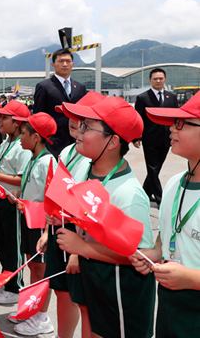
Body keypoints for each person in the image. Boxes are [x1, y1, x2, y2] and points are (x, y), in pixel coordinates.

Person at [57, 97, 155, 338]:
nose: (78, 130)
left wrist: (81, 248)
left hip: (120, 295)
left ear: (112, 141)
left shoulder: (128, 194)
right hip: (96, 281)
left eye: (87, 126)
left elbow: (139, 257)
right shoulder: (88, 172)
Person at [130, 92, 200, 337]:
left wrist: (192, 278)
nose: (171, 129)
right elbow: (169, 232)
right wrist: (156, 253)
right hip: (170, 307)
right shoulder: (173, 183)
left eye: (181, 123)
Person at [39, 91, 105, 338]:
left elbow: (91, 208)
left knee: (85, 304)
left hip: (82, 242)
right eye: (70, 117)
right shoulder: (67, 152)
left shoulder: (95, 160)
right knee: (62, 291)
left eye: (81, 118)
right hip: (62, 232)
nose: (73, 122)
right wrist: (48, 232)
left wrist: (78, 252)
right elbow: (57, 196)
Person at [9, 112, 57, 335]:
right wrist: (20, 194)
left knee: (40, 270)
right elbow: (32, 188)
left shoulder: (48, 162)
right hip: (29, 218)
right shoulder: (32, 158)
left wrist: (47, 232)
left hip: (40, 224)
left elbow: (52, 199)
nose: (20, 138)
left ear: (36, 137)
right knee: (32, 266)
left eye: (24, 134)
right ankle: (31, 310)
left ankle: (42, 317)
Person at [0, 100, 32, 304]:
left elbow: (22, 178)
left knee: (14, 246)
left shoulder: (22, 147)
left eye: (5, 117)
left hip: (13, 201)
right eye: (0, 117)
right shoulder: (5, 142)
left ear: (18, 123)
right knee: (2, 243)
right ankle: (7, 283)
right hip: (0, 196)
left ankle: (16, 288)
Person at [133, 68, 178, 205]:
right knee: (152, 168)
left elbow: (175, 118)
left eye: (161, 78)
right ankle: (160, 199)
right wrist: (136, 137)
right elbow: (137, 119)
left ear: (165, 80)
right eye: (155, 79)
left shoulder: (172, 97)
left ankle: (144, 194)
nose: (158, 81)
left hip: (167, 139)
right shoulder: (143, 98)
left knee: (156, 169)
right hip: (150, 139)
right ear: (150, 80)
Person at [33, 48, 87, 157]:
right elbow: (38, 117)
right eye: (61, 61)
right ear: (53, 65)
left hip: (77, 141)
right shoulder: (44, 87)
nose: (65, 64)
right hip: (53, 142)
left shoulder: (81, 87)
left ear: (73, 64)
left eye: (68, 61)